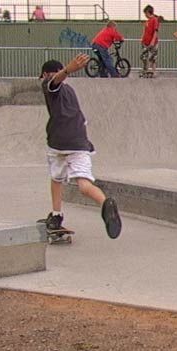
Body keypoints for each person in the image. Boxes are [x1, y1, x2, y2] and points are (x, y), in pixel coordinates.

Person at [39, 55, 122, 239]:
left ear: (45, 74)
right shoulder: (71, 91)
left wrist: (68, 69)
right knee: (84, 185)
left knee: (56, 178)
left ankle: (56, 215)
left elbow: (54, 81)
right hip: (80, 142)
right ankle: (105, 203)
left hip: (59, 142)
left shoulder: (49, 85)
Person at [140, 5, 160, 77]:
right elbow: (145, 31)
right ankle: (146, 70)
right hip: (145, 42)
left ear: (148, 12)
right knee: (144, 57)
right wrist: (142, 39)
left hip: (152, 43)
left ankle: (153, 71)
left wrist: (152, 41)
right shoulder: (147, 21)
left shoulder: (155, 20)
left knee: (153, 57)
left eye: (145, 13)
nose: (145, 15)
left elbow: (155, 31)